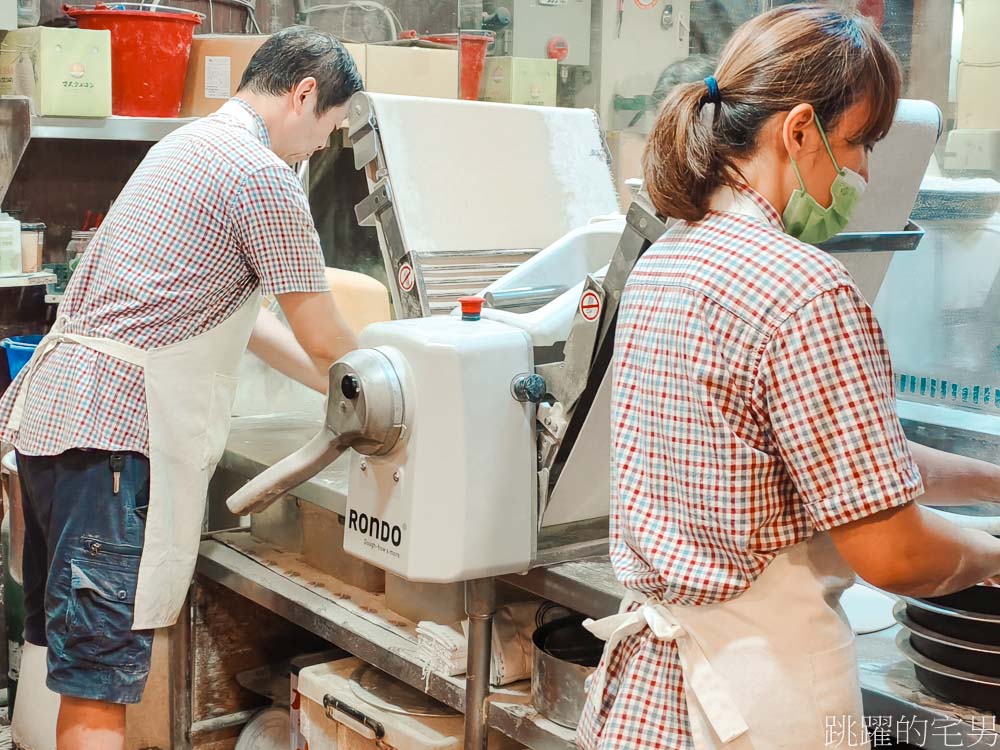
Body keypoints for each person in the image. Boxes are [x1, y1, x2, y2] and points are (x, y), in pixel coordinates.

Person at [578, 6, 1000, 749]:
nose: (865, 170)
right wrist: (993, 555)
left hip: (659, 694)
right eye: (858, 142)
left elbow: (844, 459)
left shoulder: (665, 260)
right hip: (758, 695)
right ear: (799, 129)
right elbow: (893, 553)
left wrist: (991, 482)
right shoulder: (807, 289)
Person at [0, 27, 362, 750]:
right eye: (330, 128)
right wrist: (388, 388)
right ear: (305, 95)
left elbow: (251, 323)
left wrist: (338, 392)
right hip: (113, 443)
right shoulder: (261, 176)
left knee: (73, 671)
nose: (323, 147)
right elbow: (326, 336)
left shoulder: (184, 147)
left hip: (52, 425)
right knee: (97, 689)